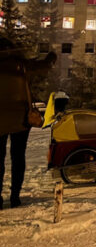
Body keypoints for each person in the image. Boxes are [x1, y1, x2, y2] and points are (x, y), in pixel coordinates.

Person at [0, 37, 56, 209]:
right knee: (18, 157)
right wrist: (51, 57)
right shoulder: (21, 64)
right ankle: (15, 196)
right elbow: (43, 66)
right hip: (20, 119)